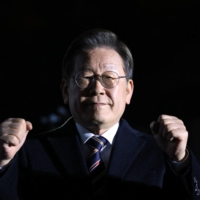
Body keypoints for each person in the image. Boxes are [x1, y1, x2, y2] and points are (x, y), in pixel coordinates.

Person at [0, 28, 200, 200]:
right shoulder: (28, 152)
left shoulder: (161, 153)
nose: (97, 89)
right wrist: (2, 161)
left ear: (128, 90)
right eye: (85, 77)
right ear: (65, 90)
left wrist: (180, 161)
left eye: (109, 77)